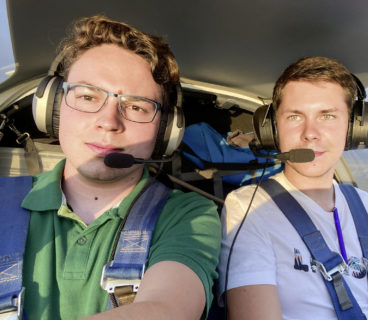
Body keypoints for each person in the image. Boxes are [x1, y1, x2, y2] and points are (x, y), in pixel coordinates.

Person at [15, 15, 221, 319]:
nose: (109, 122)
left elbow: (167, 310)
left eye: (136, 107)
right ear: (53, 108)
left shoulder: (188, 215)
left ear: (165, 131)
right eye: (87, 96)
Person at [218, 57, 368, 319]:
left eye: (328, 115)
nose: (310, 133)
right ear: (273, 130)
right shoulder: (248, 209)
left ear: (354, 128)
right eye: (295, 116)